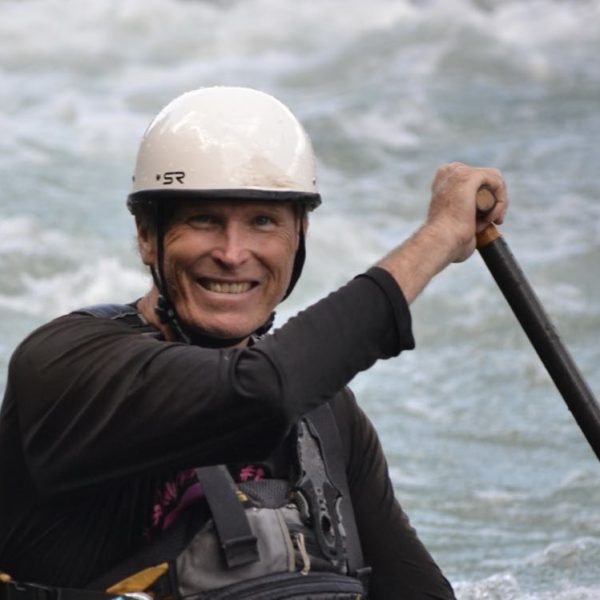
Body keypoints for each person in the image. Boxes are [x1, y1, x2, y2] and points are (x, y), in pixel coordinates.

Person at [0, 86, 507, 600]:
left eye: (263, 222)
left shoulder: (326, 415)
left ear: (299, 236)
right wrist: (437, 239)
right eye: (204, 220)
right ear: (147, 235)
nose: (233, 253)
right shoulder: (65, 365)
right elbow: (261, 392)